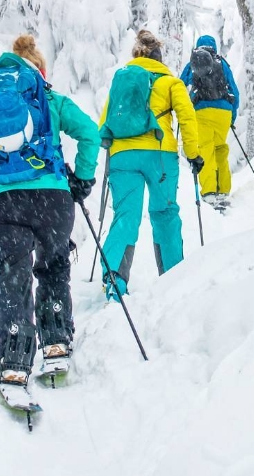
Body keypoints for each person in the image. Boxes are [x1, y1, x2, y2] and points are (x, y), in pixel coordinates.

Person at [0, 34, 100, 386]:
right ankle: (54, 341)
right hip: (52, 200)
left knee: (12, 274)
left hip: (3, 204)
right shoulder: (50, 98)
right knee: (52, 266)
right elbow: (90, 134)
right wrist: (81, 178)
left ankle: (14, 359)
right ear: (40, 70)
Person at [98, 30, 202, 300]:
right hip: (160, 154)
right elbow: (187, 119)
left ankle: (114, 281)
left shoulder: (121, 80)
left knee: (126, 215)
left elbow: (104, 122)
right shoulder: (170, 82)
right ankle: (173, 277)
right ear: (159, 56)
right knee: (165, 214)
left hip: (122, 155)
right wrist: (194, 154)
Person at [180, 34, 239, 210]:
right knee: (220, 148)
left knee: (205, 149)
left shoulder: (193, 64)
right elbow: (234, 91)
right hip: (224, 112)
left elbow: (180, 85)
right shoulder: (223, 63)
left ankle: (210, 192)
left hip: (202, 111)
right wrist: (232, 116)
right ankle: (223, 190)